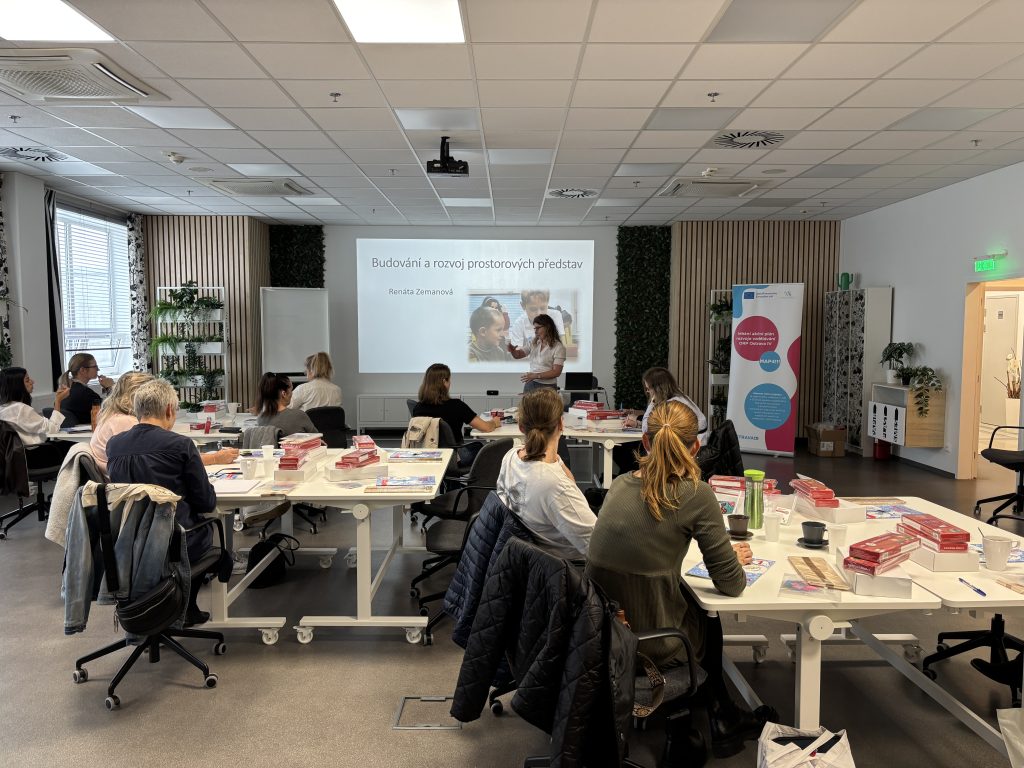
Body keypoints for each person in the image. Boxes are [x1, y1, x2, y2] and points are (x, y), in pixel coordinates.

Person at [585, 401, 771, 757]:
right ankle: (721, 717)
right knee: (707, 616)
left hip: (603, 632)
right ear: (696, 446)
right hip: (651, 643)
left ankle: (717, 712)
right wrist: (731, 558)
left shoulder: (620, 485)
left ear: (645, 441)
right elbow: (732, 584)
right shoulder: (696, 494)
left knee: (689, 601)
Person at [105, 379, 222, 627]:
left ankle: (171, 610)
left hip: (128, 542)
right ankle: (186, 608)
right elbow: (205, 502)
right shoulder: (181, 445)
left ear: (137, 410)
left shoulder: (114, 445)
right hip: (175, 540)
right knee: (207, 527)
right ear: (169, 409)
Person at [495, 387, 596, 559]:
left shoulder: (511, 457)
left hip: (528, 558)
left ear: (521, 427)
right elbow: (600, 550)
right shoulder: (554, 485)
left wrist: (555, 459)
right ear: (561, 424)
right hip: (566, 565)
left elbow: (565, 479)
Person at [90, 372, 238, 472]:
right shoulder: (125, 423)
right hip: (137, 497)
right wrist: (214, 458)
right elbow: (166, 460)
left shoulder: (113, 418)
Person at [614, 366, 708, 475]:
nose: (648, 392)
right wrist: (637, 423)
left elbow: (647, 428)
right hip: (688, 445)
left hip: (683, 450)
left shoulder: (672, 404)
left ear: (658, 388)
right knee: (624, 449)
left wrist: (652, 401)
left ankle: (632, 479)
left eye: (648, 389)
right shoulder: (679, 398)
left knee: (623, 450)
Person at [412, 363, 497, 466]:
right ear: (444, 382)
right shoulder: (456, 406)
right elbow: (486, 427)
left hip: (427, 455)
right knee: (481, 448)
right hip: (453, 457)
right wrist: (494, 422)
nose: (450, 383)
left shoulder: (418, 408)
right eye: (449, 380)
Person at [0, 367, 72, 466]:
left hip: (19, 458)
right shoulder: (20, 409)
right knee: (77, 448)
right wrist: (58, 401)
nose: (32, 382)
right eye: (27, 380)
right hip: (35, 456)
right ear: (16, 385)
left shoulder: (4, 409)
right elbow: (52, 429)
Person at [507, 313, 565, 392]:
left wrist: (535, 375)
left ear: (548, 327)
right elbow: (518, 355)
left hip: (548, 387)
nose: (535, 331)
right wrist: (513, 351)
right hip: (531, 383)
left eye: (538, 328)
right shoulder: (533, 342)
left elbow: (556, 372)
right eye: (535, 328)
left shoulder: (558, 347)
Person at [59, 353, 114, 426]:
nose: (98, 369)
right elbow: (111, 410)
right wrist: (110, 388)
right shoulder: (85, 393)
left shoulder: (67, 390)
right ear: (82, 370)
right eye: (95, 366)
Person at [255, 372, 316, 436]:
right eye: (291, 390)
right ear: (284, 394)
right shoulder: (299, 416)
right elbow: (317, 437)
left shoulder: (260, 418)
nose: (292, 393)